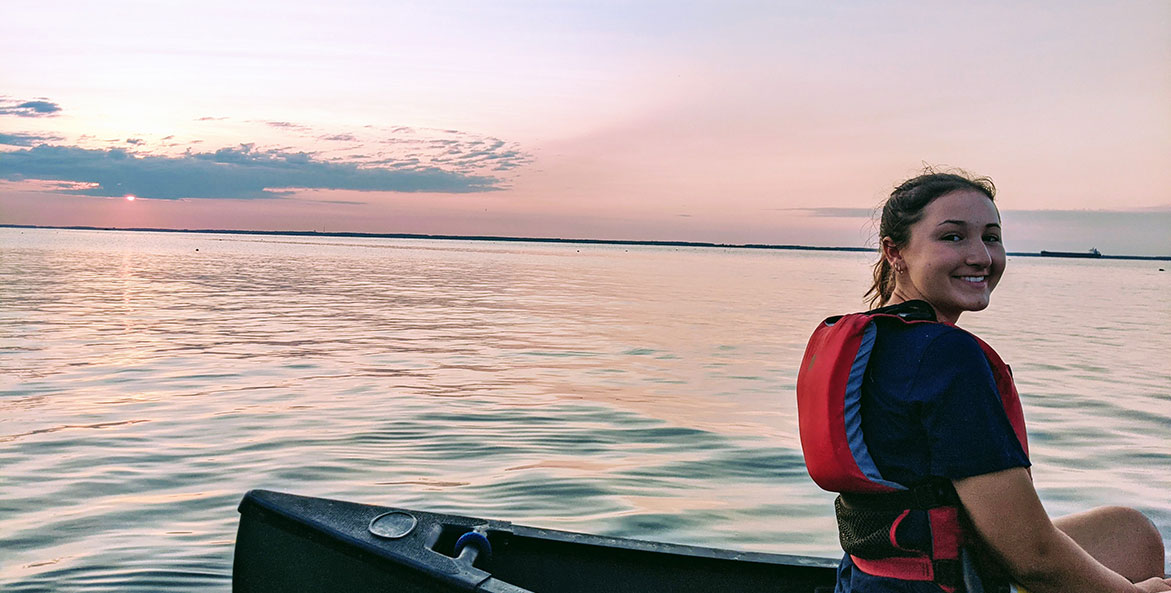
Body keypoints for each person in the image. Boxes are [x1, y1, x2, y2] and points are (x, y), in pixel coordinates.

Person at [795, 170, 1169, 593]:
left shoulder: (875, 342)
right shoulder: (947, 356)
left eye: (991, 237)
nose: (981, 257)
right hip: (943, 586)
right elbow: (1033, 558)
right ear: (894, 251)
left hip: (865, 581)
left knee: (1130, 533)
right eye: (953, 237)